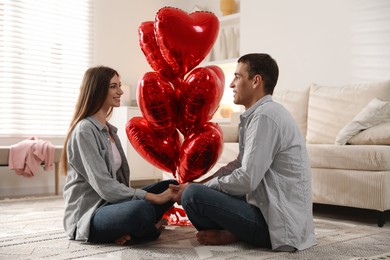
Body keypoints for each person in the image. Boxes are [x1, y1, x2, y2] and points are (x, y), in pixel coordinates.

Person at [170, 53, 316, 251]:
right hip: (266, 207)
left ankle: (234, 232)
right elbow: (239, 164)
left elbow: (246, 179)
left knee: (193, 196)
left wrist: (199, 189)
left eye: (237, 76)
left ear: (256, 81)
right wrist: (199, 183)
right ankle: (232, 231)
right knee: (193, 189)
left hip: (278, 229)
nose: (231, 84)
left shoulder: (265, 117)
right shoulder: (259, 115)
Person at [60, 66, 177, 245]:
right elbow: (105, 186)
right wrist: (151, 197)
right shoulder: (84, 130)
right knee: (141, 210)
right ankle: (147, 229)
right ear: (98, 90)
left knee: (171, 187)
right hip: (90, 213)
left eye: (119, 85)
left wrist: (152, 196)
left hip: (113, 205)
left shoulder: (109, 130)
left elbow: (119, 183)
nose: (120, 91)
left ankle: (130, 229)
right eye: (114, 86)